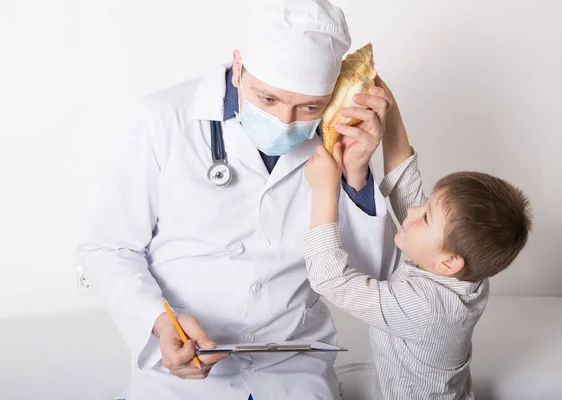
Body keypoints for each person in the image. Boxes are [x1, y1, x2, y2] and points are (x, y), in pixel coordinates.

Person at [77, 0, 400, 399]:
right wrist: (161, 324)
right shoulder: (161, 119)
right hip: (177, 369)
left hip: (293, 366)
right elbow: (109, 247)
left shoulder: (342, 139)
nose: (285, 120)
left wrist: (356, 176)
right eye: (268, 99)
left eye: (309, 106)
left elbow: (377, 280)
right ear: (238, 67)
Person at [298, 82, 532, 399]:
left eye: (425, 217)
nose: (412, 211)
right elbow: (404, 187)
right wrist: (389, 109)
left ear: (449, 262)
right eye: (427, 203)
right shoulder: (468, 273)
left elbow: (331, 279)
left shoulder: (424, 307)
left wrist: (325, 191)